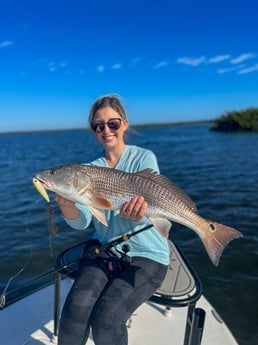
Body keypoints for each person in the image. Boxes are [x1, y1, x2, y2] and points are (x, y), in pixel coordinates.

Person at [55, 94, 170, 345]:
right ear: (93, 129)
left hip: (148, 254)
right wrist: (66, 206)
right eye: (98, 125)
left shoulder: (143, 157)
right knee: (73, 315)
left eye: (112, 123)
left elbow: (153, 201)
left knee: (106, 321)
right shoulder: (88, 169)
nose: (106, 130)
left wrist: (138, 216)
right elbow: (83, 220)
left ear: (124, 124)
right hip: (105, 251)